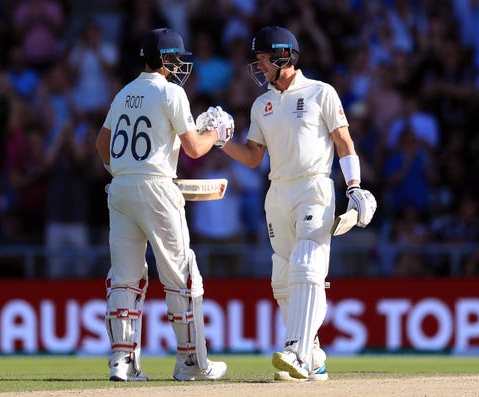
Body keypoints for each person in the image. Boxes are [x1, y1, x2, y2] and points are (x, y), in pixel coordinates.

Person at [220, 26, 376, 381]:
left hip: (314, 188)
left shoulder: (322, 92)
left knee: (308, 266)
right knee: (283, 278)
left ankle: (297, 352)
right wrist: (220, 141)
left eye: (263, 59)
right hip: (277, 193)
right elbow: (252, 157)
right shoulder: (262, 104)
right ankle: (315, 355)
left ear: (283, 57)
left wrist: (354, 187)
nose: (258, 66)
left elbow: (344, 142)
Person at [95, 27, 230, 382]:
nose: (181, 65)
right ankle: (191, 363)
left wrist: (123, 171)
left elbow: (101, 144)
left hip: (120, 188)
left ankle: (122, 363)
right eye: (178, 59)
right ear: (167, 60)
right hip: (156, 187)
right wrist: (218, 132)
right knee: (180, 276)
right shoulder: (172, 92)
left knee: (125, 278)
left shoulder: (124, 92)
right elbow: (194, 149)